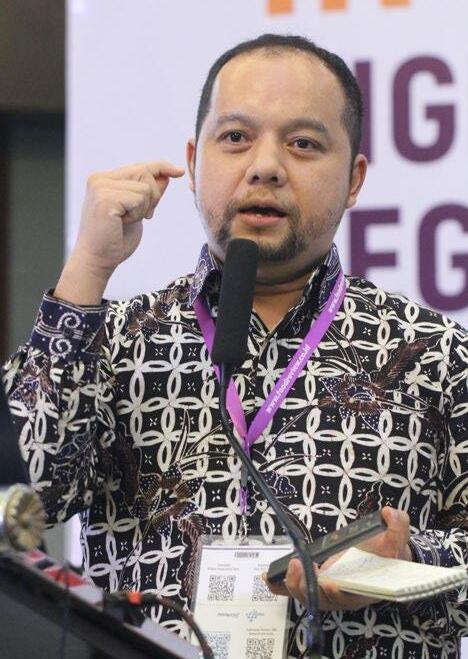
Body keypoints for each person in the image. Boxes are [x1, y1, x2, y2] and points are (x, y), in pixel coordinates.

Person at [3, 33, 467, 658]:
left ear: (354, 178)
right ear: (194, 165)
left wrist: (409, 560)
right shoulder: (112, 341)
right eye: (236, 137)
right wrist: (87, 268)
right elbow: (24, 497)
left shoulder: (437, 353)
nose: (266, 165)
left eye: (303, 144)